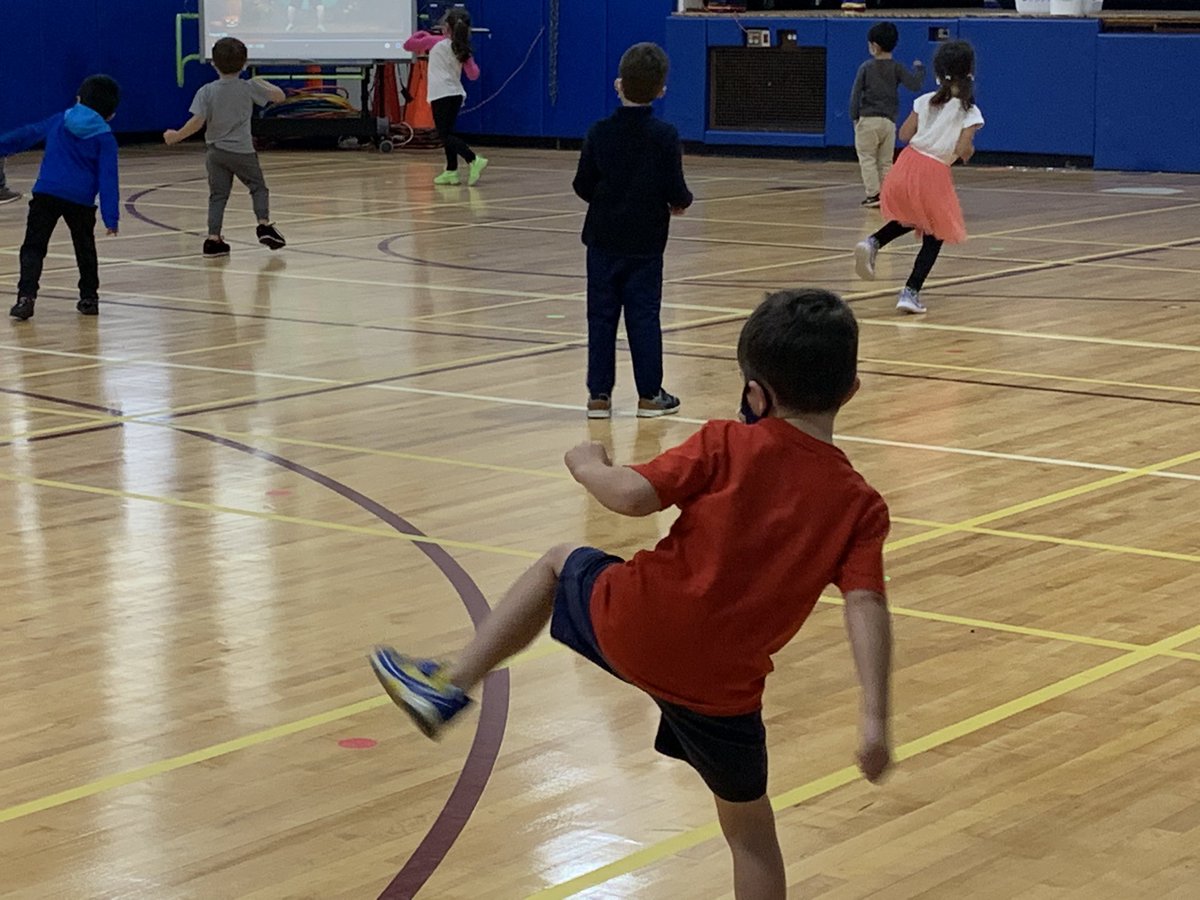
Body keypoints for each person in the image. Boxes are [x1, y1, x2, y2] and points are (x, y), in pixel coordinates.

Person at [368, 288, 894, 900]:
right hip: (724, 692)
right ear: (851, 390)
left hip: (638, 624)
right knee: (750, 832)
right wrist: (875, 719)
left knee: (561, 562)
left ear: (755, 391)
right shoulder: (859, 504)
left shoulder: (727, 441)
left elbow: (631, 497)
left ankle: (450, 684)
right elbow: (866, 607)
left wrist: (587, 462)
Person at [572, 42, 692, 419]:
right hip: (645, 243)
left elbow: (582, 185)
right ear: (661, 90)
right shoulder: (664, 135)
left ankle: (598, 396)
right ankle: (649, 395)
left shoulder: (599, 132)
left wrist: (608, 200)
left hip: (603, 240)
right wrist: (679, 202)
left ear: (618, 84)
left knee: (601, 317)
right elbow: (676, 188)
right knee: (643, 316)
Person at [854, 39, 983, 315]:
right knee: (935, 234)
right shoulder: (969, 111)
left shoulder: (924, 101)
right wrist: (968, 149)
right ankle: (910, 291)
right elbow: (962, 150)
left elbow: (904, 135)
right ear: (970, 71)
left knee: (913, 218)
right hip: (933, 170)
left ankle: (873, 242)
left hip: (907, 164)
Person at [0, 75, 121, 321]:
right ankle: (89, 298)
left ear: (78, 99)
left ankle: (26, 297)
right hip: (81, 200)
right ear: (110, 115)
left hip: (47, 192)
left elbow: (27, 134)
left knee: (33, 247)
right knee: (85, 248)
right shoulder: (105, 138)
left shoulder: (60, 120)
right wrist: (111, 217)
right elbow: (109, 179)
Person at [164, 36, 287, 259]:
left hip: (215, 153)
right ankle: (264, 225)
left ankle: (213, 239)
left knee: (218, 196)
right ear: (245, 62)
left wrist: (176, 136)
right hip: (243, 151)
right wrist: (262, 82)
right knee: (258, 188)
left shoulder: (206, 91)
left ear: (213, 63)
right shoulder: (248, 87)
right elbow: (280, 97)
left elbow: (197, 122)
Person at [403, 9, 486, 186]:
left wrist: (421, 34)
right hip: (456, 94)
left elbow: (409, 45)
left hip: (441, 94)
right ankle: (451, 170)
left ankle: (473, 159)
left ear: (446, 27)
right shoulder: (461, 48)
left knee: (443, 134)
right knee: (448, 132)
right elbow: (474, 75)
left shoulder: (435, 42)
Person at [849, 22, 924, 209]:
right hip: (889, 122)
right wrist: (921, 70)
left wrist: (854, 117)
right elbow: (914, 85)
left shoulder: (866, 67)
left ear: (874, 46)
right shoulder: (897, 68)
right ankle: (889, 194)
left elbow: (855, 95)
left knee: (867, 158)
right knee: (886, 162)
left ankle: (873, 195)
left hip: (867, 120)